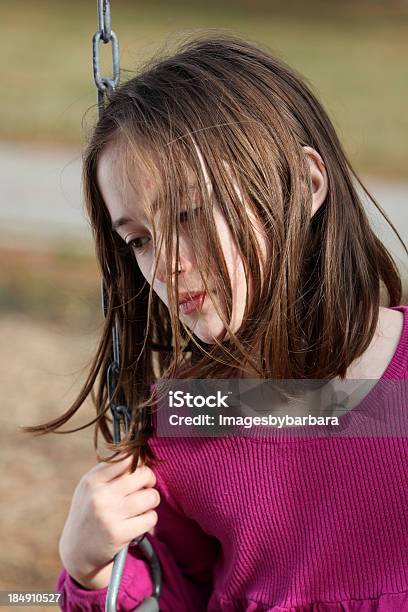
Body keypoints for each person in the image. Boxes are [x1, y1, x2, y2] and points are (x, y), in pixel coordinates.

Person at [31, 33, 408, 610]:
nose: (167, 262)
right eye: (139, 239)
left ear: (303, 185)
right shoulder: (191, 413)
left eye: (189, 213)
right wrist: (91, 569)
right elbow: (174, 594)